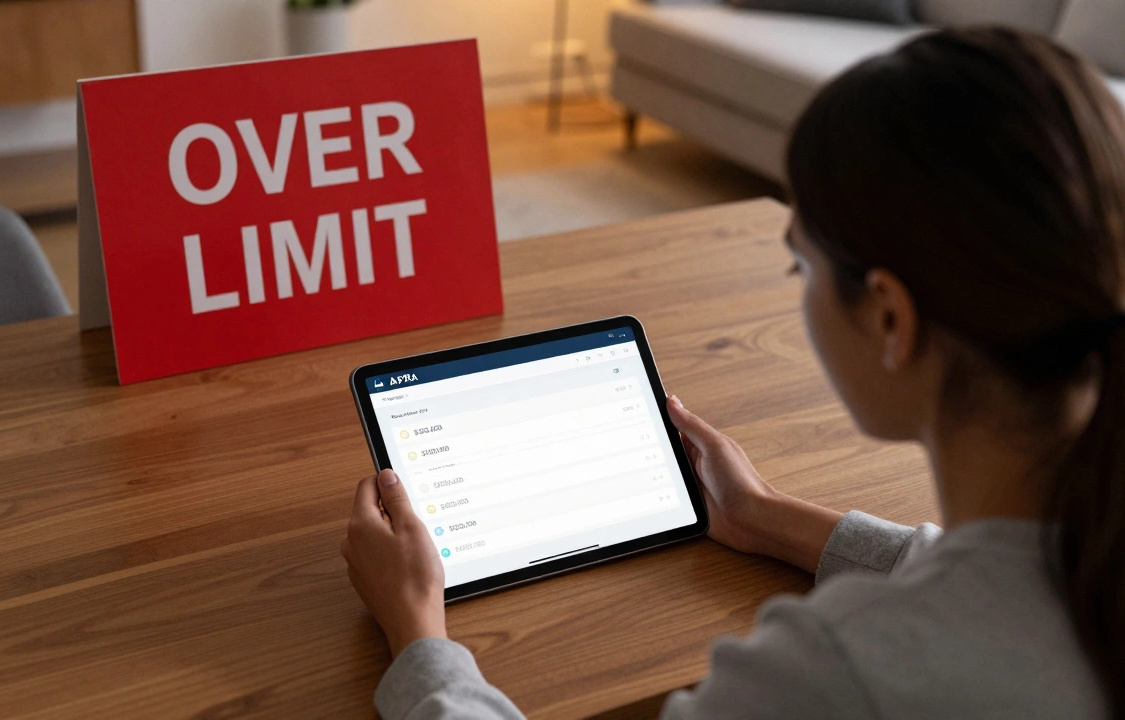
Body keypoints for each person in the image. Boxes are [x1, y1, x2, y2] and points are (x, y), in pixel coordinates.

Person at [341, 27, 1125, 719]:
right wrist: (765, 515)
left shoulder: (831, 671)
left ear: (891, 318)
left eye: (799, 267)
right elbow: (1006, 584)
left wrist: (418, 636)